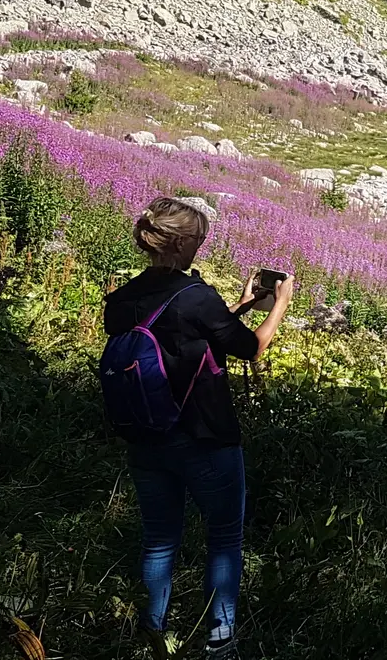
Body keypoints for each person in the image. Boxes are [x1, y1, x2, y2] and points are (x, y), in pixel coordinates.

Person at [102, 197, 293, 659]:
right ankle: (220, 643)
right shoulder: (196, 297)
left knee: (159, 539)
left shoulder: (124, 298)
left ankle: (153, 637)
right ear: (185, 243)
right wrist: (278, 305)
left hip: (146, 437)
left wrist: (240, 306)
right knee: (224, 539)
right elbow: (249, 349)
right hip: (205, 436)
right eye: (201, 240)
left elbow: (179, 337)